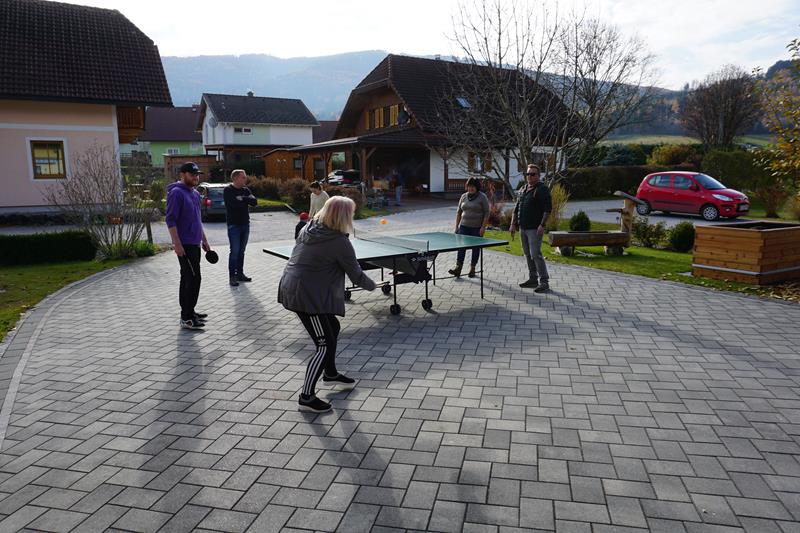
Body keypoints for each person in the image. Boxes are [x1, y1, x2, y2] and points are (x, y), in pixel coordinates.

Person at [277, 196, 376, 413]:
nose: (352, 217)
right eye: (351, 213)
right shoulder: (339, 242)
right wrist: (373, 286)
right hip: (306, 296)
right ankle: (306, 397)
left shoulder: (310, 228)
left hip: (295, 286)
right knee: (324, 345)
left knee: (333, 326)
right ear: (343, 216)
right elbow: (356, 275)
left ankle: (330, 373)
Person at [166, 162, 213, 330]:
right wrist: (177, 244)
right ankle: (186, 318)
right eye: (192, 174)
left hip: (195, 243)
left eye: (197, 174)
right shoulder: (176, 193)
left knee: (188, 278)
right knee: (193, 278)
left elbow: (197, 219)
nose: (196, 177)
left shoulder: (194, 193)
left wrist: (204, 240)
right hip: (184, 244)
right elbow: (170, 220)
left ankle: (189, 311)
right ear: (182, 174)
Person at [510, 164, 552, 292]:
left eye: (532, 174)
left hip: (535, 228)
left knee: (535, 255)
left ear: (538, 176)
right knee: (528, 254)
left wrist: (542, 225)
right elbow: (516, 208)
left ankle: (544, 282)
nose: (529, 176)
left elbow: (548, 209)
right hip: (523, 228)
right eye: (527, 174)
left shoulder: (542, 189)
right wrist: (512, 224)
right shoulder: (523, 189)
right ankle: (533, 279)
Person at [448, 177, 490, 278]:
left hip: (477, 228)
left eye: (473, 186)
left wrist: (483, 227)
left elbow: (487, 213)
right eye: (469, 186)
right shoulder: (463, 196)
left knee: (475, 248)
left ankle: (472, 268)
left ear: (477, 187)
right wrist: (456, 227)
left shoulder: (482, 197)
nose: (471, 188)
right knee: (461, 247)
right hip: (464, 227)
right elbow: (459, 212)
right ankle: (458, 268)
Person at [224, 169, 257, 287]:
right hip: (234, 225)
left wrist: (242, 198)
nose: (245, 179)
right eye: (243, 177)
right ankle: (232, 277)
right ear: (235, 178)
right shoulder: (228, 190)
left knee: (241, 251)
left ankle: (240, 274)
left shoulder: (245, 190)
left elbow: (254, 202)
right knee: (235, 251)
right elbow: (234, 205)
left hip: (245, 224)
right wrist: (246, 200)